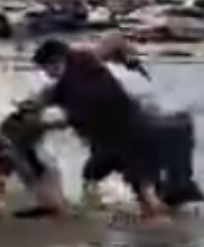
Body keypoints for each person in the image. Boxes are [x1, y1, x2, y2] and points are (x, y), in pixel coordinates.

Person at [26, 38, 166, 220]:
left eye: (46, 69)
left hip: (128, 138)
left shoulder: (80, 80)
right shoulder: (83, 64)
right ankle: (95, 213)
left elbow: (75, 111)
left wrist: (49, 123)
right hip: (119, 136)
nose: (46, 74)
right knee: (92, 175)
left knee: (140, 186)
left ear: (57, 61)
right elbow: (113, 41)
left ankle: (160, 226)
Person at [100, 56, 204, 209]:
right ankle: (175, 195)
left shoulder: (106, 81)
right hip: (177, 121)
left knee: (139, 171)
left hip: (155, 125)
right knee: (175, 180)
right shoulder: (132, 75)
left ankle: (156, 207)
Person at [0, 104, 69, 218]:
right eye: (57, 125)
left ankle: (49, 202)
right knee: (29, 172)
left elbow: (28, 147)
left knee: (40, 170)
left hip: (12, 148)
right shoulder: (32, 125)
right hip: (5, 149)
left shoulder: (29, 122)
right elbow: (14, 145)